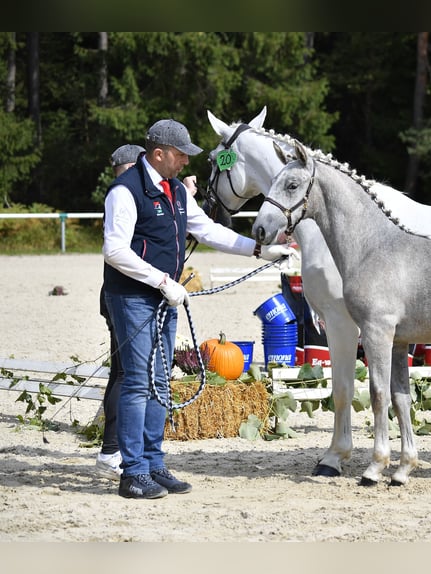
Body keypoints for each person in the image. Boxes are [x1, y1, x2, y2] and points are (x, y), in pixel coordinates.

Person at [102, 119, 293, 499]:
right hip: (133, 297)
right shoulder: (124, 192)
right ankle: (132, 472)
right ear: (159, 154)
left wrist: (259, 250)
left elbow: (208, 230)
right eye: (179, 155)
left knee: (160, 382)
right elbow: (115, 250)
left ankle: (154, 465)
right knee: (139, 382)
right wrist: (162, 281)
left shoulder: (174, 190)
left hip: (164, 297)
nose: (185, 163)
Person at [95, 144, 145, 480]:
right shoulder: (125, 195)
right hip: (124, 295)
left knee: (122, 373)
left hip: (121, 293)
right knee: (126, 375)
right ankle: (112, 450)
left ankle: (113, 448)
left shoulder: (124, 194)